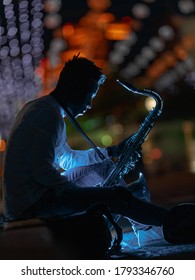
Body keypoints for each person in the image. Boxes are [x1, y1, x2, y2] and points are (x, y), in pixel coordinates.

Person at [2, 54, 168, 232]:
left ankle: (146, 227)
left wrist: (112, 151)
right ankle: (166, 222)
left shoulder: (48, 110)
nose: (89, 104)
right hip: (32, 205)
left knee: (104, 168)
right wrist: (80, 193)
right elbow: (40, 169)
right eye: (90, 95)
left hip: (39, 196)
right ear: (74, 88)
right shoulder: (47, 115)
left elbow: (67, 160)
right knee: (112, 196)